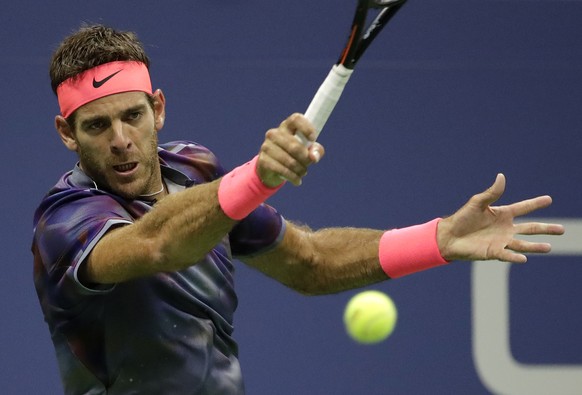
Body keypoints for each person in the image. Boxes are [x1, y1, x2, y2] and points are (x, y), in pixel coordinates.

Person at [32, 24, 564, 395]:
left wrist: (438, 239)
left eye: (133, 116)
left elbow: (309, 261)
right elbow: (157, 243)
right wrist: (256, 177)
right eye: (97, 126)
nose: (122, 140)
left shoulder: (195, 171)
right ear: (67, 134)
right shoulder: (67, 222)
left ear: (159, 109)